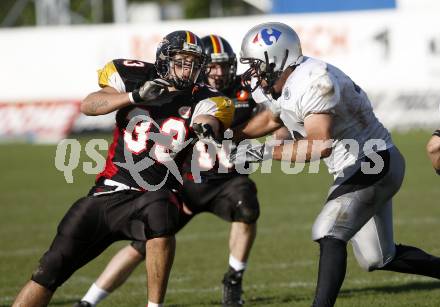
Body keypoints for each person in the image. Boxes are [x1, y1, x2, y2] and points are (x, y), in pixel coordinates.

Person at [12, 30, 234, 307]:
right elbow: (89, 105)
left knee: (161, 207)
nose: (188, 69)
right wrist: (133, 96)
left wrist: (205, 128)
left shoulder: (207, 97)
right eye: (182, 61)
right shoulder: (134, 76)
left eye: (193, 63)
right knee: (48, 272)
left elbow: (208, 118)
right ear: (165, 59)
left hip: (152, 193)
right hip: (109, 191)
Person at [233, 22, 440, 307]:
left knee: (329, 231)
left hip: (373, 162)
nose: (253, 72)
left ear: (278, 59)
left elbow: (320, 143)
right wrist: (232, 136)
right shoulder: (290, 82)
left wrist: (263, 153)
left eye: (257, 64)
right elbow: (272, 120)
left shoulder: (315, 80)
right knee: (377, 257)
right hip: (359, 166)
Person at [74, 34, 260, 307]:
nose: (219, 72)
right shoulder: (176, 92)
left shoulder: (239, 94)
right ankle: (89, 300)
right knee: (144, 244)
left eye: (224, 65)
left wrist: (246, 141)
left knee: (247, 204)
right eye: (214, 66)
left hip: (224, 181)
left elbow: (267, 120)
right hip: (183, 182)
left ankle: (233, 279)